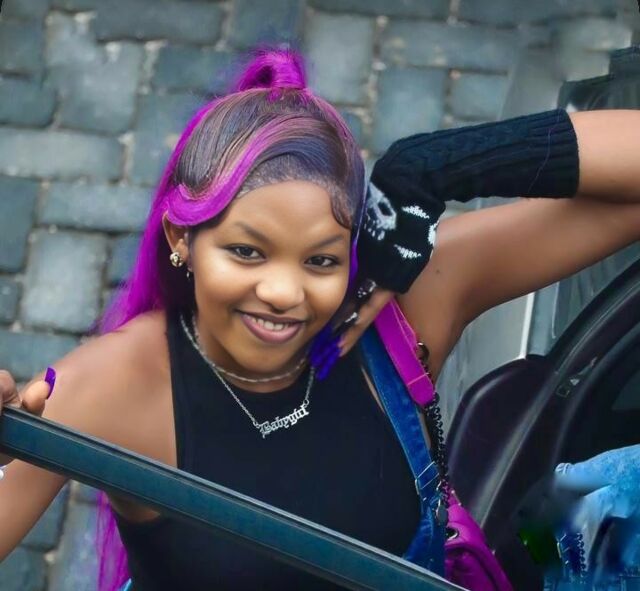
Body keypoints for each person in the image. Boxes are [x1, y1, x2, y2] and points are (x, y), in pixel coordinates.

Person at [0, 48, 639, 591]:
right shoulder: (113, 386)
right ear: (181, 238)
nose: (284, 293)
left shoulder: (398, 309)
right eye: (246, 252)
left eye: (320, 260)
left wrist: (440, 164)